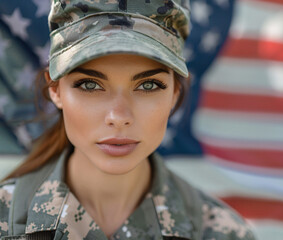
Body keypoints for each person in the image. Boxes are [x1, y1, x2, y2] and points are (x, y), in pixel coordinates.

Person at [0, 1, 255, 239]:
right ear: (55, 90)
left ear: (175, 93)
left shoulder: (223, 232)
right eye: (90, 85)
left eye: (148, 85)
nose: (119, 117)